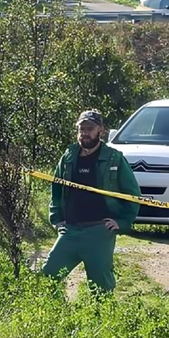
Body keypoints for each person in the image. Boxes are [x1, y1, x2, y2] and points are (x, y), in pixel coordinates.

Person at [42, 109, 142, 293]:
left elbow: (132, 194)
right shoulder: (69, 156)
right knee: (48, 275)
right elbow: (56, 189)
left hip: (99, 232)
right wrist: (57, 219)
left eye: (89, 128)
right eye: (81, 129)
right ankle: (56, 317)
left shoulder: (114, 158)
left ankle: (101, 319)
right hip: (70, 230)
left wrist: (123, 222)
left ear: (101, 131)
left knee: (101, 288)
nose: (85, 133)